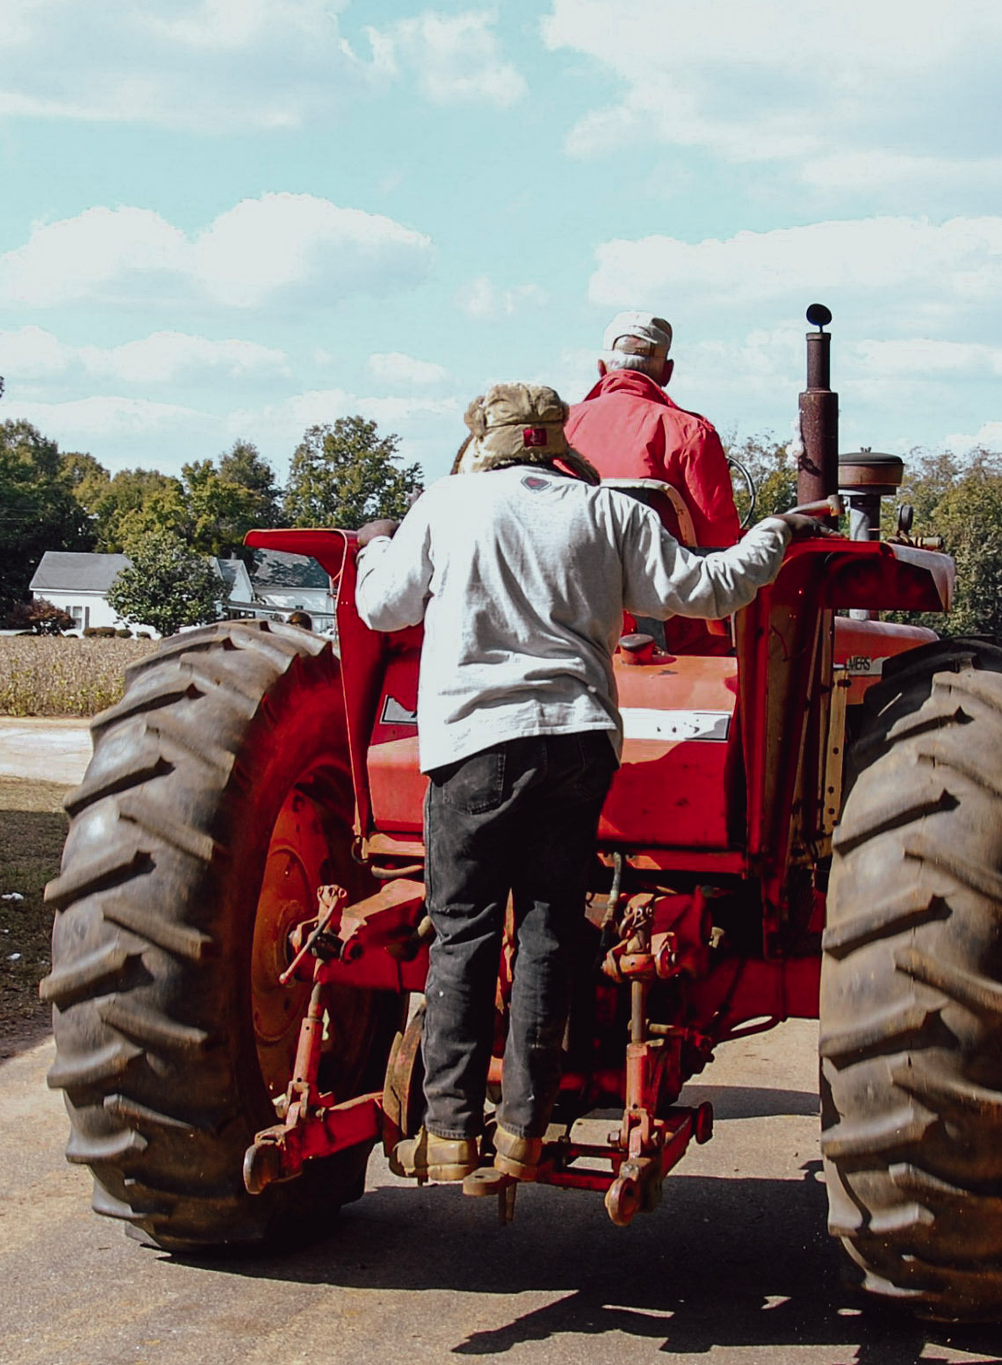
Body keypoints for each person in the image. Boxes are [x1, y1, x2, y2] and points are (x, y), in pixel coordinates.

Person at [353, 382, 828, 1185]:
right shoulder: (608, 512)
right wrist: (775, 535)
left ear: (487, 439)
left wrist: (372, 544)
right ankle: (522, 1133)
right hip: (577, 742)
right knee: (547, 930)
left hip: (473, 745)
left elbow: (378, 607)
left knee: (464, 931)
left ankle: (449, 1134)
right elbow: (708, 589)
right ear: (554, 440)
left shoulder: (447, 504)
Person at [565, 311, 741, 550]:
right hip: (660, 584)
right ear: (667, 372)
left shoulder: (560, 429)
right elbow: (719, 541)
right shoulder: (691, 433)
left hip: (572, 582)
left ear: (601, 368)